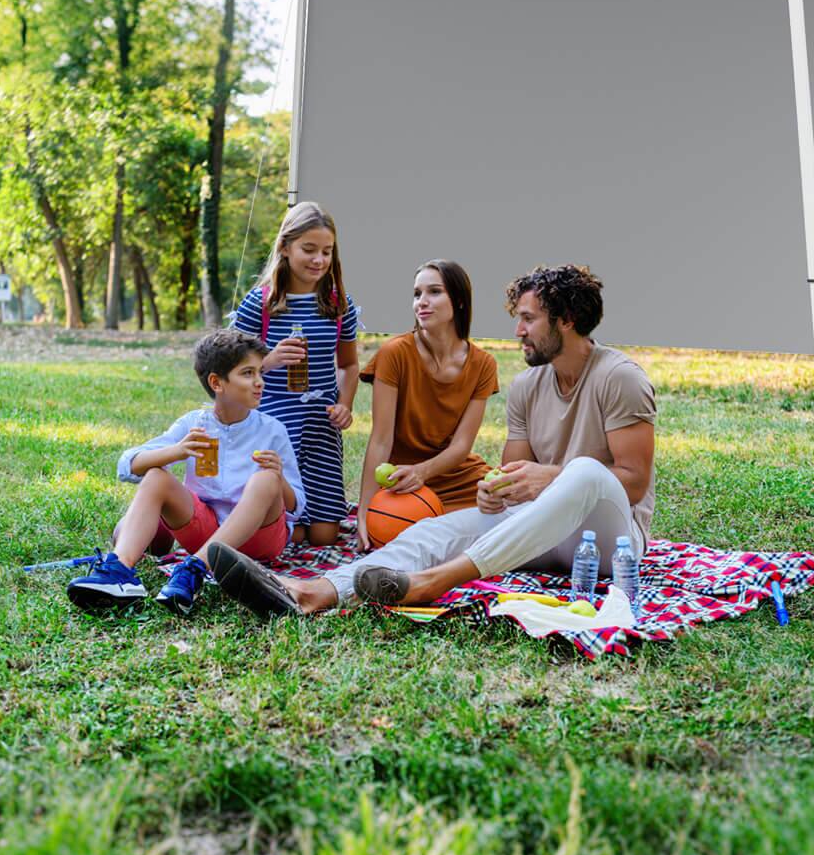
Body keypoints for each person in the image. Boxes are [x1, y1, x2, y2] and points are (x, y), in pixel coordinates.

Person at [207, 264, 654, 619]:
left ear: (567, 320)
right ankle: (315, 592)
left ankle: (433, 583)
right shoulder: (527, 386)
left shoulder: (619, 378)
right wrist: (494, 491)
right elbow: (512, 476)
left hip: (607, 544)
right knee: (430, 530)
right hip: (540, 535)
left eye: (528, 319)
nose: (518, 330)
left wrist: (550, 477)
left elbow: (632, 483)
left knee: (583, 472)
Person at [66, 328, 304, 616]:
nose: (259, 382)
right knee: (156, 475)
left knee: (265, 479)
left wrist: (279, 479)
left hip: (259, 540)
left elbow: (297, 506)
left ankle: (194, 569)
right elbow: (127, 465)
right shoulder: (194, 424)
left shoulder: (272, 430)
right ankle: (120, 571)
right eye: (248, 373)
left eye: (259, 372)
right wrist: (177, 451)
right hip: (203, 533)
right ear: (217, 383)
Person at [230, 201, 360, 545]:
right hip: (274, 425)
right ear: (285, 248)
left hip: (321, 426)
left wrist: (345, 404)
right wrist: (268, 361)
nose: (319, 260)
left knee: (324, 536)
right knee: (290, 529)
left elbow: (348, 365)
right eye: (309, 249)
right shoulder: (261, 303)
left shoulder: (338, 305)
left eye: (327, 251)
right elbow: (229, 367)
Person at [353, 259, 499, 542]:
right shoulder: (394, 353)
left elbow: (461, 446)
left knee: (511, 508)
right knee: (409, 534)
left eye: (434, 292)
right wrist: (365, 511)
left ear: (459, 300)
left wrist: (424, 471)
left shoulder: (484, 364)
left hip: (456, 475)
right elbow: (381, 440)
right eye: (417, 293)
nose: (422, 301)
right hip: (402, 479)